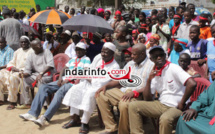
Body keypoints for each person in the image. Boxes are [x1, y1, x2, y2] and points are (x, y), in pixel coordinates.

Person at [128, 46, 197, 134]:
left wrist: (182, 103)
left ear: (165, 56)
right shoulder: (155, 72)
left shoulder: (173, 67)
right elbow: (147, 99)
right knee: (133, 106)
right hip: (161, 104)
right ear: (152, 59)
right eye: (155, 56)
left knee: (165, 119)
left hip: (176, 106)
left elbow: (192, 83)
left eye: (161, 55)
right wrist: (149, 80)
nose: (159, 58)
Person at [19, 42, 90, 123]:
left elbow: (84, 72)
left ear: (84, 51)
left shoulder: (86, 59)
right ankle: (33, 113)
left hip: (74, 83)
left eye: (80, 50)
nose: (78, 51)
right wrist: (60, 78)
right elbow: (63, 69)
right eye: (77, 49)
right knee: (44, 87)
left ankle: (45, 117)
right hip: (64, 80)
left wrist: (69, 79)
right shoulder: (73, 59)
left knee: (59, 92)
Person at [95, 43, 154, 134]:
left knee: (124, 104)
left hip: (139, 95)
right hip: (124, 92)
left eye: (134, 54)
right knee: (100, 94)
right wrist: (106, 86)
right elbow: (121, 79)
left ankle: (123, 132)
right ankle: (111, 128)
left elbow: (151, 86)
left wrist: (134, 92)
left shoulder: (151, 66)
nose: (131, 56)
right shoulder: (130, 64)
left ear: (142, 54)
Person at [62, 43, 120, 133]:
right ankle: (75, 118)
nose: (103, 54)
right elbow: (90, 69)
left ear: (112, 54)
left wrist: (89, 77)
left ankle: (84, 123)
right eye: (102, 51)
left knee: (89, 95)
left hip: (100, 88)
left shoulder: (115, 66)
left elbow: (102, 82)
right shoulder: (98, 57)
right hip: (89, 82)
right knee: (75, 89)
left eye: (106, 52)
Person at [17, 39, 55, 109]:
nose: (40, 46)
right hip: (36, 75)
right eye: (38, 46)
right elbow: (28, 69)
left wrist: (41, 73)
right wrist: (23, 74)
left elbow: (50, 65)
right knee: (23, 79)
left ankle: (44, 106)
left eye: (40, 44)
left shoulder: (47, 52)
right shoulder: (31, 56)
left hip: (47, 75)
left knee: (40, 80)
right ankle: (27, 102)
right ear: (33, 48)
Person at [0, 36, 33, 109]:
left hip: (24, 72)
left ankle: (13, 102)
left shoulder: (32, 51)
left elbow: (32, 65)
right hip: (15, 70)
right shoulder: (17, 51)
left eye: (25, 42)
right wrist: (13, 67)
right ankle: (0, 99)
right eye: (22, 42)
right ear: (20, 43)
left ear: (28, 43)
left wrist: (19, 70)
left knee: (12, 78)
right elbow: (11, 63)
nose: (23, 43)